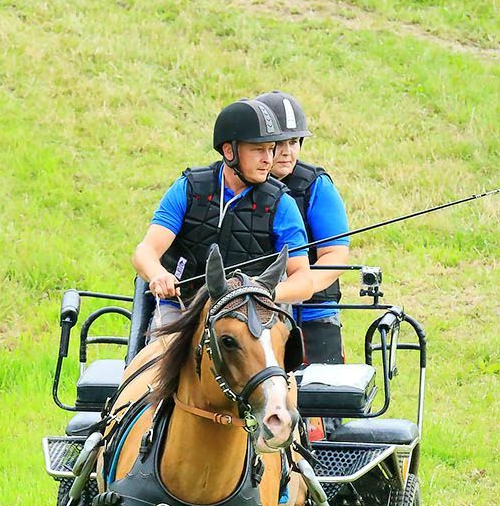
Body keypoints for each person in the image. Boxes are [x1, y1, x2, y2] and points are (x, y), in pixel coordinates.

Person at [131, 99, 312, 332]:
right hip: (181, 307)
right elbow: (145, 251)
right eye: (258, 149)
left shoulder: (283, 204)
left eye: (271, 149)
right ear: (229, 151)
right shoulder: (189, 188)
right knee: (160, 356)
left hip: (251, 312)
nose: (269, 158)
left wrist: (265, 290)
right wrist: (158, 274)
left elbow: (303, 280)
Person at [256, 90, 351, 365]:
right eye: (279, 143)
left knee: (321, 399)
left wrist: (301, 288)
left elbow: (335, 256)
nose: (287, 152)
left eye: (295, 142)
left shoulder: (317, 186)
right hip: (253, 314)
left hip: (311, 315)